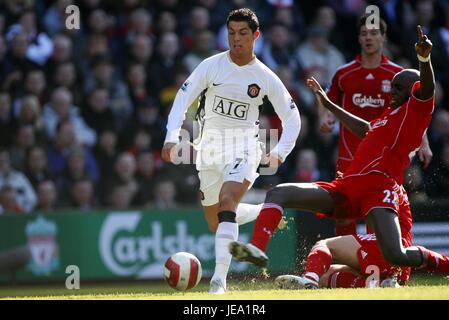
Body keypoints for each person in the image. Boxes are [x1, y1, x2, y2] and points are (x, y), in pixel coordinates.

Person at [229, 26, 449, 286]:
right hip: (347, 186)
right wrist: (329, 105)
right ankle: (256, 249)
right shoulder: (386, 118)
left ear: (412, 91)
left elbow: (426, 88)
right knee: (279, 192)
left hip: (378, 186)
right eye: (393, 88)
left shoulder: (415, 113)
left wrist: (424, 59)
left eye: (399, 89)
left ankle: (441, 263)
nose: (393, 93)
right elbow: (365, 129)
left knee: (395, 254)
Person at [161, 8, 300, 294]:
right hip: (208, 152)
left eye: (243, 34)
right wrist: (171, 136)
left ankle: (218, 282)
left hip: (245, 149)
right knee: (216, 222)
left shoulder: (264, 76)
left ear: (255, 36)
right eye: (232, 33)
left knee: (227, 201)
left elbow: (292, 117)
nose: (236, 40)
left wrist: (280, 152)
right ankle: (264, 211)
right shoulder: (211, 66)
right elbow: (182, 98)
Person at [318, 15, 433, 236]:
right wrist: (326, 117)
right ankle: (346, 265)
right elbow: (327, 100)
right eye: (363, 34)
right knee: (343, 214)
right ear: (358, 39)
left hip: (382, 157)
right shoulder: (344, 73)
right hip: (349, 155)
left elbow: (417, 112)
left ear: (383, 38)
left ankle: (376, 262)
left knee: (378, 210)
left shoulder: (399, 76)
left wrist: (424, 142)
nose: (368, 38)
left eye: (373, 33)